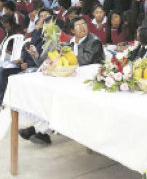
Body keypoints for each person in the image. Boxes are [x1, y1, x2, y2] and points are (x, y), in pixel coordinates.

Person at [21, 16, 104, 144]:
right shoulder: (69, 43)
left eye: (84, 24)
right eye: (78, 25)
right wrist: (39, 56)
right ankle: (40, 129)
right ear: (72, 30)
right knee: (51, 94)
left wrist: (65, 57)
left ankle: (41, 130)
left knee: (58, 97)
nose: (82, 27)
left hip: (88, 81)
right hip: (72, 80)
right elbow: (59, 61)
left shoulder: (94, 41)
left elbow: (84, 61)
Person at [0, 12, 49, 120]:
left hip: (37, 66)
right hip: (24, 62)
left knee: (19, 78)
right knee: (2, 71)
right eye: (41, 17)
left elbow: (46, 57)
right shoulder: (37, 32)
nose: (43, 19)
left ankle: (18, 109)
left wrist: (28, 64)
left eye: (46, 16)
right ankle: (0, 105)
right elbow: (27, 47)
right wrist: (22, 58)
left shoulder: (52, 36)